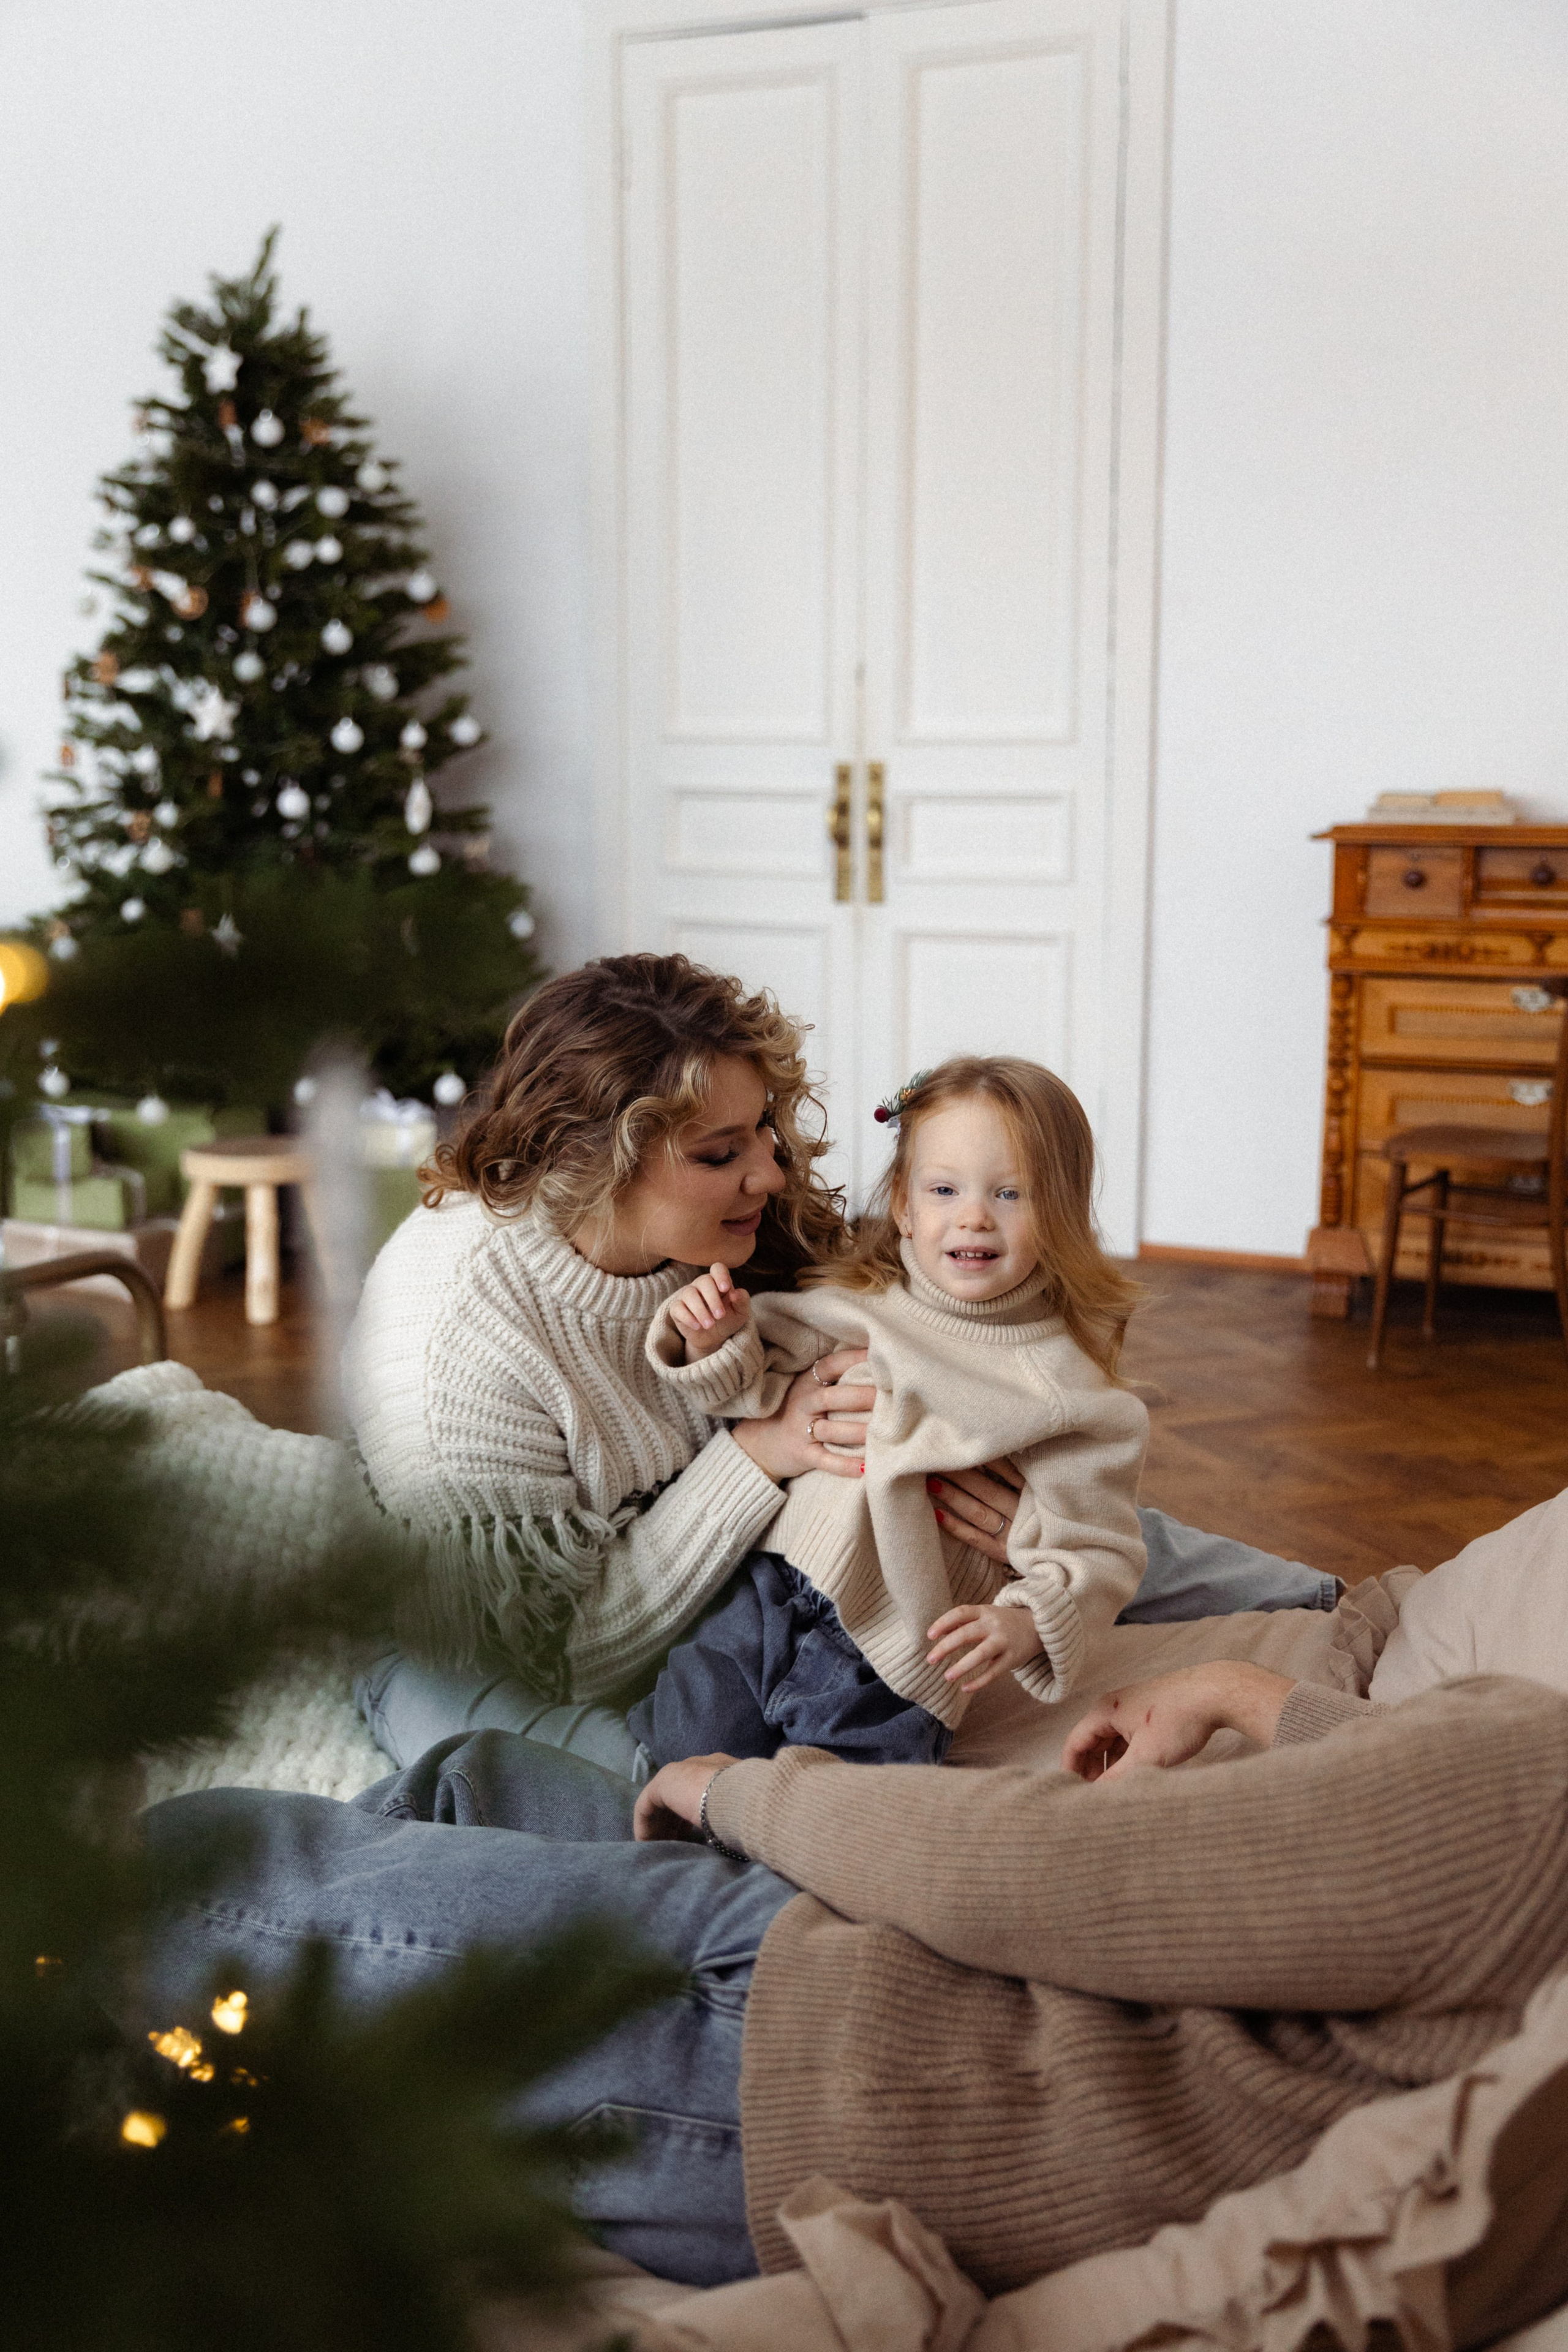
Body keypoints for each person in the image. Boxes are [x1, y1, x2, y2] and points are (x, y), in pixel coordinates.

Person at [140, 1657, 1568, 2294]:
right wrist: (1256, 1695)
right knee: (476, 1777)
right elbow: (1430, 1860)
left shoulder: (1535, 1789)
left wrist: (740, 1788)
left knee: (202, 1859)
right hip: (871, 2070)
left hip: (812, 2042)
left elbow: (1022, 1874)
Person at [347, 954, 1336, 1781]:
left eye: (766, 1133)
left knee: (1002, 1488)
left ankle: (1339, 1599)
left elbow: (1046, 1486)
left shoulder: (733, 1220)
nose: (773, 1174)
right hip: (531, 1629)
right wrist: (761, 1454)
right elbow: (567, 1656)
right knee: (554, 1766)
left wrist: (1024, 1535)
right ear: (601, 1161)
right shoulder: (451, 1357)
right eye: (725, 1151)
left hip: (777, 1535)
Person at [628, 1058, 1148, 1770]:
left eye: (1010, 1193)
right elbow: (749, 1391)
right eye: (944, 1189)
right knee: (673, 1750)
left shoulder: (1064, 1388)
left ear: (1059, 1212)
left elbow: (1098, 1546)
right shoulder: (855, 1304)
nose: (973, 1216)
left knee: (832, 1816)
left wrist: (1026, 1622)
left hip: (897, 1663)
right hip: (767, 1597)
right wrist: (713, 1339)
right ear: (903, 1205)